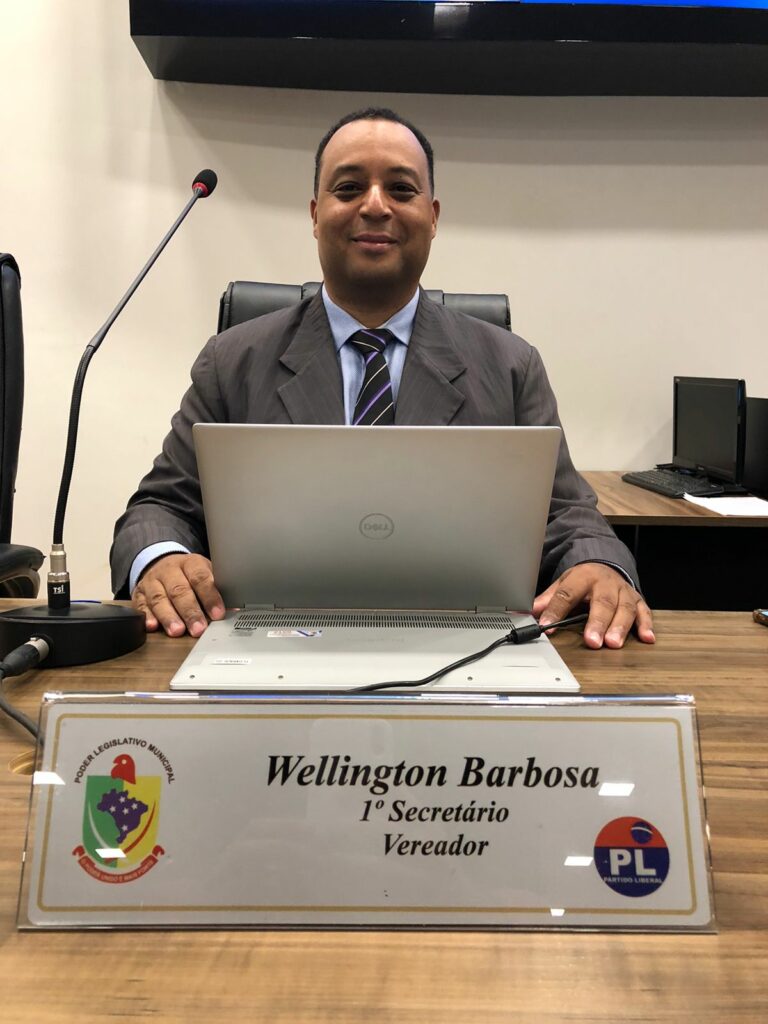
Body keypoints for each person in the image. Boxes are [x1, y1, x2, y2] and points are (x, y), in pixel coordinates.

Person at [111, 107, 654, 651]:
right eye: (349, 188)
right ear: (315, 215)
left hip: (466, 642)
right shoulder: (232, 361)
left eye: (401, 189)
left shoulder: (511, 365)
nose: (375, 205)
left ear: (433, 216)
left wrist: (600, 566)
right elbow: (161, 508)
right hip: (272, 639)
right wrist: (160, 559)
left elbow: (569, 516)